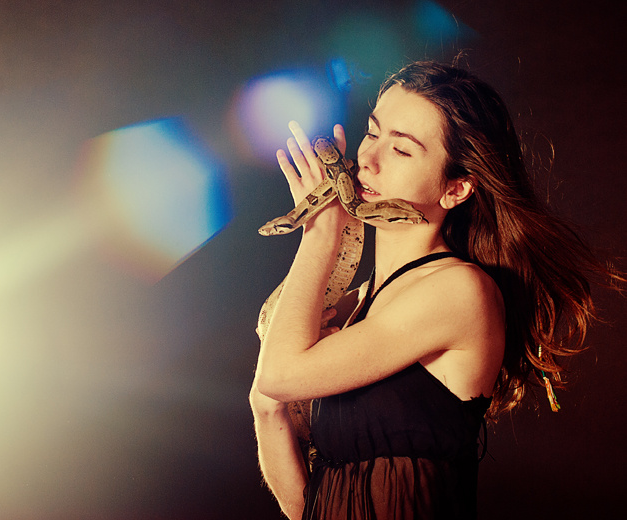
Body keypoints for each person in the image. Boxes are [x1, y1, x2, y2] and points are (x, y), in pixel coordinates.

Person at [249, 61, 620, 520]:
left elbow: (280, 375)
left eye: (401, 150)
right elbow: (305, 498)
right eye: (372, 132)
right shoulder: (354, 306)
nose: (368, 159)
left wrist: (321, 232)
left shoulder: (459, 291)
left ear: (456, 188)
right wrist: (268, 409)